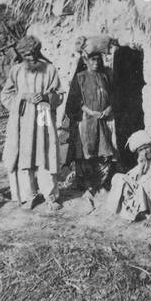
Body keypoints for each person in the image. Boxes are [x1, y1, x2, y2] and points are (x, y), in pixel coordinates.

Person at [1, 35, 63, 211]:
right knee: (24, 156)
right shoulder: (16, 71)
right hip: (22, 120)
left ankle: (50, 195)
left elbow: (59, 95)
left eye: (34, 53)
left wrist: (45, 97)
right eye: (27, 55)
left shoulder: (49, 70)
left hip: (43, 116)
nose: (32, 58)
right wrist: (23, 97)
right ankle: (29, 195)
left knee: (44, 153)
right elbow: (6, 95)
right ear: (21, 55)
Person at [64, 50, 115, 202]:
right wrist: (90, 112)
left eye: (98, 60)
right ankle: (88, 186)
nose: (96, 63)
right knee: (87, 152)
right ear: (85, 61)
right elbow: (75, 101)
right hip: (86, 120)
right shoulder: (80, 78)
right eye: (92, 60)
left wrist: (108, 109)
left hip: (104, 119)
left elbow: (113, 96)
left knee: (104, 151)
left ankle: (101, 184)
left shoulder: (105, 76)